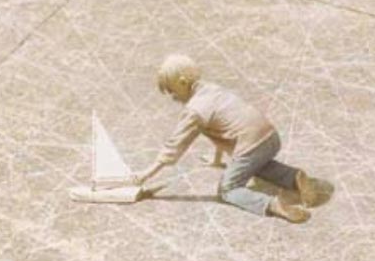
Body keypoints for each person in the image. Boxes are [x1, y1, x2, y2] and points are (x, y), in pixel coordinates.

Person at [132, 54, 319, 223]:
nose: (172, 97)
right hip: (270, 137)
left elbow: (174, 148)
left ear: (182, 82)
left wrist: (146, 174)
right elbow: (221, 131)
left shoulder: (195, 110)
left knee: (228, 189)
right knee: (253, 164)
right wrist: (216, 160)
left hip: (252, 145)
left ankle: (273, 205)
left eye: (172, 91)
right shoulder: (212, 89)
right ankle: (294, 176)